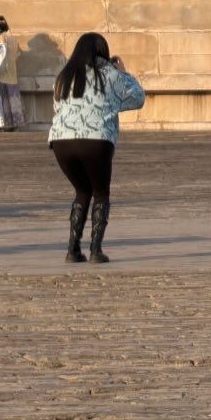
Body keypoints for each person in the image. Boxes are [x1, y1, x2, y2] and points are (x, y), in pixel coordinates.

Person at [48, 32, 145, 264]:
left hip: (61, 141)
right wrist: (123, 73)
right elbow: (138, 98)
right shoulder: (110, 74)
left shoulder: (64, 77)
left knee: (82, 191)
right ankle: (96, 250)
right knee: (100, 192)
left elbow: (57, 107)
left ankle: (72, 250)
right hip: (96, 140)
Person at [0, 14, 24, 130]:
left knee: (2, 101)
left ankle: (3, 125)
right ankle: (15, 125)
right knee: (12, 101)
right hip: (12, 75)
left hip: (1, 75)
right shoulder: (13, 39)